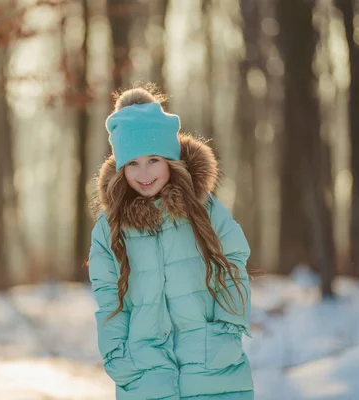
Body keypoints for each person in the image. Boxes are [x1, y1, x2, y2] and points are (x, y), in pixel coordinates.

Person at [88, 85, 254, 400]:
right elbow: (108, 295)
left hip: (210, 364)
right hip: (145, 369)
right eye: (133, 163)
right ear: (121, 168)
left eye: (153, 159)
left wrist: (227, 332)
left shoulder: (203, 209)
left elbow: (233, 264)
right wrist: (117, 356)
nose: (144, 172)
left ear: (171, 159)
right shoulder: (109, 226)